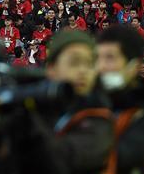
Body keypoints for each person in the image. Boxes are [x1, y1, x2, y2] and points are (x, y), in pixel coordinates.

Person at [96, 25, 144, 174]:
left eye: (109, 58)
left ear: (133, 65)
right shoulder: (94, 99)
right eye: (97, 58)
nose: (100, 66)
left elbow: (123, 156)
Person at [43, 29, 113, 174]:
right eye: (74, 63)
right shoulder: (37, 107)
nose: (83, 71)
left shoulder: (101, 115)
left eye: (89, 64)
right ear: (51, 69)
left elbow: (66, 157)